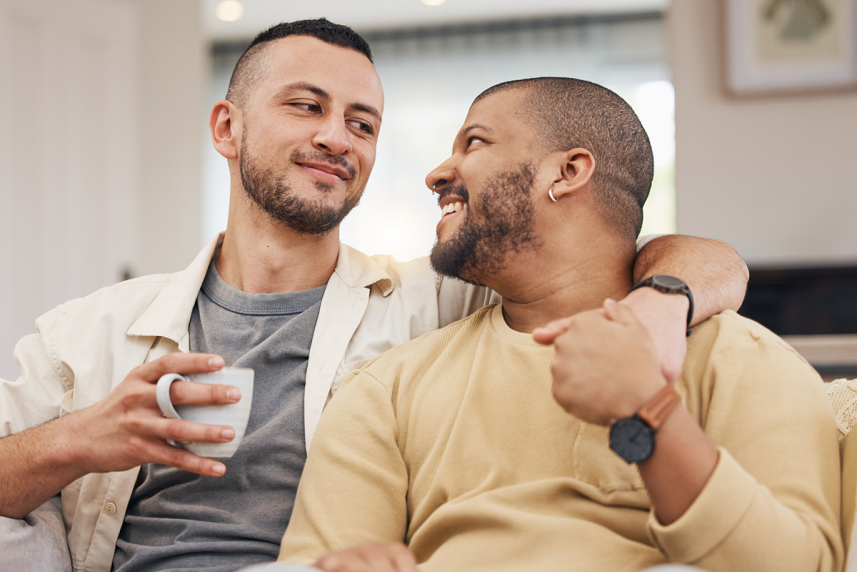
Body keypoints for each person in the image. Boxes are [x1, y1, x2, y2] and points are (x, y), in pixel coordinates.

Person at [0, 20, 748, 572]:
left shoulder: (439, 298)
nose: (339, 138)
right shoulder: (87, 332)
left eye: (362, 123)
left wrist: (661, 302)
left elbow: (687, 259)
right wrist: (81, 438)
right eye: (306, 106)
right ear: (228, 127)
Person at [278, 78, 843, 572]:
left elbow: (799, 564)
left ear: (569, 172)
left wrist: (650, 411)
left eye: (475, 142)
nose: (437, 174)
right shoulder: (386, 389)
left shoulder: (739, 356)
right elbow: (317, 563)